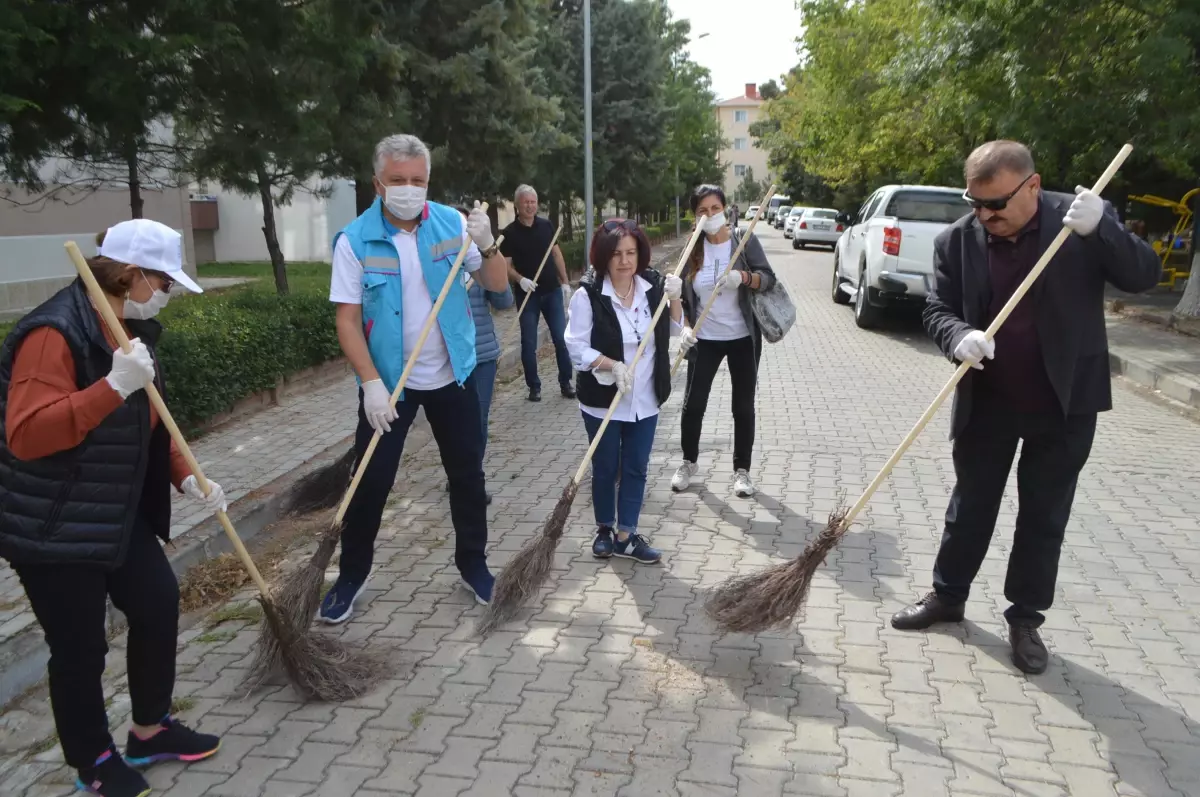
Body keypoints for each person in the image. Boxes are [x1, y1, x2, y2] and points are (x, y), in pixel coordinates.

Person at [892, 140, 1162, 674]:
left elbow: (1144, 276)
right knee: (970, 506)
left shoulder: (1079, 221)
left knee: (1043, 516)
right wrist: (957, 336)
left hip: (1063, 406)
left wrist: (1103, 230)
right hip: (989, 401)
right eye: (975, 203)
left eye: (996, 204)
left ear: (1032, 186)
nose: (985, 215)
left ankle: (1025, 619)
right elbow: (936, 308)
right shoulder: (958, 241)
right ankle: (948, 596)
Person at [0, 219, 226, 797]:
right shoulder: (53, 332)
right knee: (79, 646)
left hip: (114, 510)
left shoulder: (126, 326)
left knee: (157, 602)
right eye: (165, 282)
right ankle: (92, 760)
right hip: (52, 523)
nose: (167, 294)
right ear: (131, 275)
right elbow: (26, 435)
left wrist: (186, 477)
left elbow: (150, 420)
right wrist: (110, 388)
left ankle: (149, 730)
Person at [324, 133, 510, 620]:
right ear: (377, 183)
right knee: (371, 481)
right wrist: (369, 384)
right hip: (389, 386)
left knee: (467, 476)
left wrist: (488, 246)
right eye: (398, 180)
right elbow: (346, 320)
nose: (409, 188)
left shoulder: (451, 224)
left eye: (418, 180)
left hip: (452, 375)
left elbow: (496, 288)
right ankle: (351, 576)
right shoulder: (355, 240)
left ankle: (474, 565)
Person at [565, 219, 684, 563]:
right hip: (604, 398)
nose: (624, 261)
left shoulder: (652, 287)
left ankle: (626, 535)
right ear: (604, 256)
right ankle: (604, 527)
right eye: (616, 254)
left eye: (631, 253)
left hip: (645, 396)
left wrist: (675, 299)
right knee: (605, 465)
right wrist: (611, 365)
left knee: (636, 466)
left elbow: (675, 329)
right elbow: (575, 347)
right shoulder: (587, 295)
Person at [670, 184, 778, 498]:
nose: (710, 215)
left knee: (742, 407)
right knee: (693, 405)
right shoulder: (693, 247)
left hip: (742, 337)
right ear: (695, 216)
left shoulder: (743, 241)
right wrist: (686, 327)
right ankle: (689, 462)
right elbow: (685, 299)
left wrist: (743, 278)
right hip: (705, 339)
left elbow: (768, 278)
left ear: (725, 209)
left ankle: (741, 471)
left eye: (715, 208)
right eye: (703, 211)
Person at [456, 205, 516, 505]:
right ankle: (457, 473)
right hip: (448, 359)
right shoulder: (438, 263)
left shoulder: (481, 263)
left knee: (478, 419)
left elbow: (504, 301)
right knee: (453, 422)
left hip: (481, 357)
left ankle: (472, 477)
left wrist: (495, 266)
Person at [501, 184, 575, 402]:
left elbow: (557, 255)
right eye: (526, 202)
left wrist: (565, 282)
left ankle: (566, 382)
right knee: (529, 343)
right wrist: (520, 279)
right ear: (517, 205)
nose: (530, 206)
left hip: (551, 291)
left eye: (533, 202)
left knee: (561, 339)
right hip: (528, 295)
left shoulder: (546, 226)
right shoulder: (509, 233)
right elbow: (505, 266)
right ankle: (534, 387)